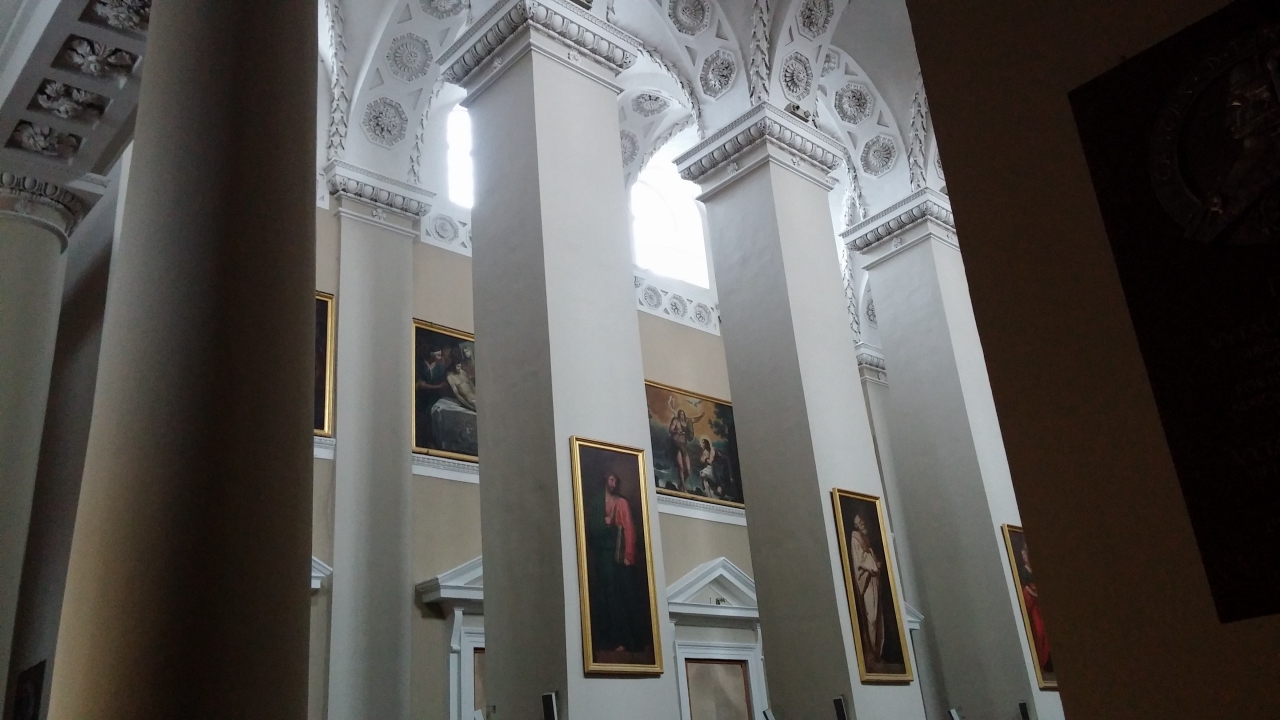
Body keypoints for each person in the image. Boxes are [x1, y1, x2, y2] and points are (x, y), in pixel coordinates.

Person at [587, 473, 646, 655]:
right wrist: (604, 524)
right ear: (605, 481)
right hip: (603, 556)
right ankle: (610, 640)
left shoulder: (621, 502)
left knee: (621, 597)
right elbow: (592, 528)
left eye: (615, 480)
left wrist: (629, 554)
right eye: (611, 479)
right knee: (606, 596)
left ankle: (627, 640)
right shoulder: (597, 502)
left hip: (619, 557)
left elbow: (629, 529)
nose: (613, 483)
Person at [851, 513, 885, 667]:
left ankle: (878, 652)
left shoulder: (865, 538)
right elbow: (860, 560)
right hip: (867, 581)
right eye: (860, 522)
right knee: (871, 617)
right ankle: (872, 651)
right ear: (856, 525)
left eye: (863, 520)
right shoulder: (855, 539)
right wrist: (874, 565)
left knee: (877, 616)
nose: (863, 523)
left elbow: (868, 554)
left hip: (873, 580)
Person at [1019, 543, 1053, 675]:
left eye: (1026, 554)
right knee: (1039, 631)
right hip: (1031, 603)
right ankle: (1040, 661)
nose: (1025, 557)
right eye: (1023, 555)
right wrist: (1034, 594)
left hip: (1038, 603)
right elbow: (1026, 588)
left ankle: (1046, 661)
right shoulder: (1023, 571)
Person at [415, 343, 451, 447]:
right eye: (438, 355)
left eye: (440, 354)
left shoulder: (439, 366)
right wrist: (438, 386)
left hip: (435, 399)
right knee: (422, 424)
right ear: (431, 355)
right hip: (422, 400)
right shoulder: (420, 365)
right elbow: (420, 384)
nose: (440, 357)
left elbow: (443, 381)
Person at [666, 401, 704, 492]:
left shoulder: (687, 422)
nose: (682, 416)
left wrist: (701, 416)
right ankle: (683, 487)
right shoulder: (676, 421)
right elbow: (670, 429)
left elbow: (695, 419)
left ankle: (681, 484)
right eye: (680, 414)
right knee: (681, 467)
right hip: (677, 445)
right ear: (678, 415)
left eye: (683, 414)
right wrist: (677, 431)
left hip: (684, 446)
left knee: (688, 470)